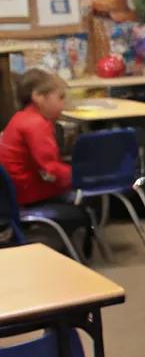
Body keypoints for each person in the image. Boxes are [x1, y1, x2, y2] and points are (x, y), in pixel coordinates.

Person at [0, 68, 93, 257]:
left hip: (14, 192)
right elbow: (50, 170)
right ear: (38, 97)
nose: (63, 104)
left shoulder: (21, 118)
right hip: (26, 193)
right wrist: (80, 177)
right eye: (60, 98)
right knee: (86, 197)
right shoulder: (35, 125)